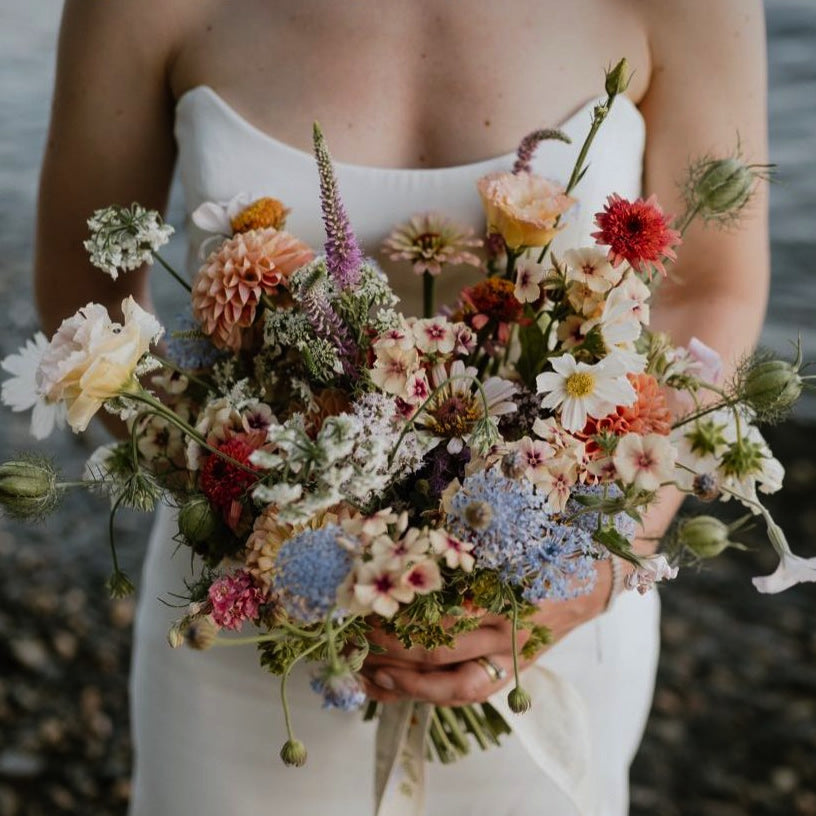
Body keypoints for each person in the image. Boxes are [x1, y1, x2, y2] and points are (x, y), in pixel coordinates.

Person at [34, 1, 769, 813]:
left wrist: (610, 552)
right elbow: (86, 310)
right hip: (245, 622)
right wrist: (258, 513)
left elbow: (710, 288)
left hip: (553, 612)